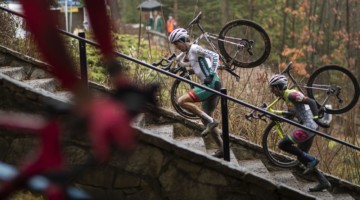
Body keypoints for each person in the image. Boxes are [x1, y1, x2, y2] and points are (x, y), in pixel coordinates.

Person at [268, 74, 331, 192]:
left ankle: (313, 160)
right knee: (302, 156)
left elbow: (311, 102)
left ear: (279, 87)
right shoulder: (287, 97)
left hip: (309, 126)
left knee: (283, 144)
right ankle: (323, 182)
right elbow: (291, 114)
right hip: (310, 126)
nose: (272, 91)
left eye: (273, 88)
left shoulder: (291, 94)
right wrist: (272, 113)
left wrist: (317, 118)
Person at [168, 28, 224, 158]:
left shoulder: (194, 49)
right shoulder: (190, 52)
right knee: (205, 120)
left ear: (182, 40)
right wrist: (179, 64)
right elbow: (193, 64)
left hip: (212, 84)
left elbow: (215, 56)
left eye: (177, 44)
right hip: (211, 85)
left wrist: (211, 73)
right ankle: (222, 148)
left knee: (181, 101)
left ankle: (211, 121)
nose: (176, 47)